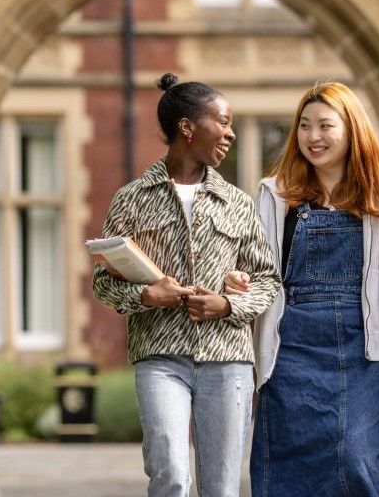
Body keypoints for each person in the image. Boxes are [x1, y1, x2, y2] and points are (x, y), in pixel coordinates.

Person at [92, 72, 281, 497]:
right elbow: (103, 283)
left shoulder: (237, 202)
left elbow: (268, 280)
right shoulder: (132, 198)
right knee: (171, 474)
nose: (230, 133)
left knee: (221, 488)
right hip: (159, 359)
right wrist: (146, 295)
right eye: (224, 122)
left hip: (228, 361)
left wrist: (228, 305)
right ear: (187, 127)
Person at [224, 81, 379, 496]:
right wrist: (238, 279)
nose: (313, 137)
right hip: (290, 349)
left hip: (364, 348)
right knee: (286, 466)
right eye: (304, 126)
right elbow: (254, 267)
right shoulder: (275, 195)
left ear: (351, 130)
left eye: (325, 125)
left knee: (356, 459)